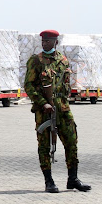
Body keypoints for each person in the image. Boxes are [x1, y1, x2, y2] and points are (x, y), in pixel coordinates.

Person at [24, 30, 91, 193]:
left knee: (71, 140)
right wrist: (42, 102)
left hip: (62, 107)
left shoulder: (63, 60)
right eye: (43, 41)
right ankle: (49, 181)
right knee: (44, 144)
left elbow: (66, 84)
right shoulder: (36, 61)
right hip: (44, 109)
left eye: (48, 41)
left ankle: (73, 178)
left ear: (56, 42)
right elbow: (29, 85)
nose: (44, 43)